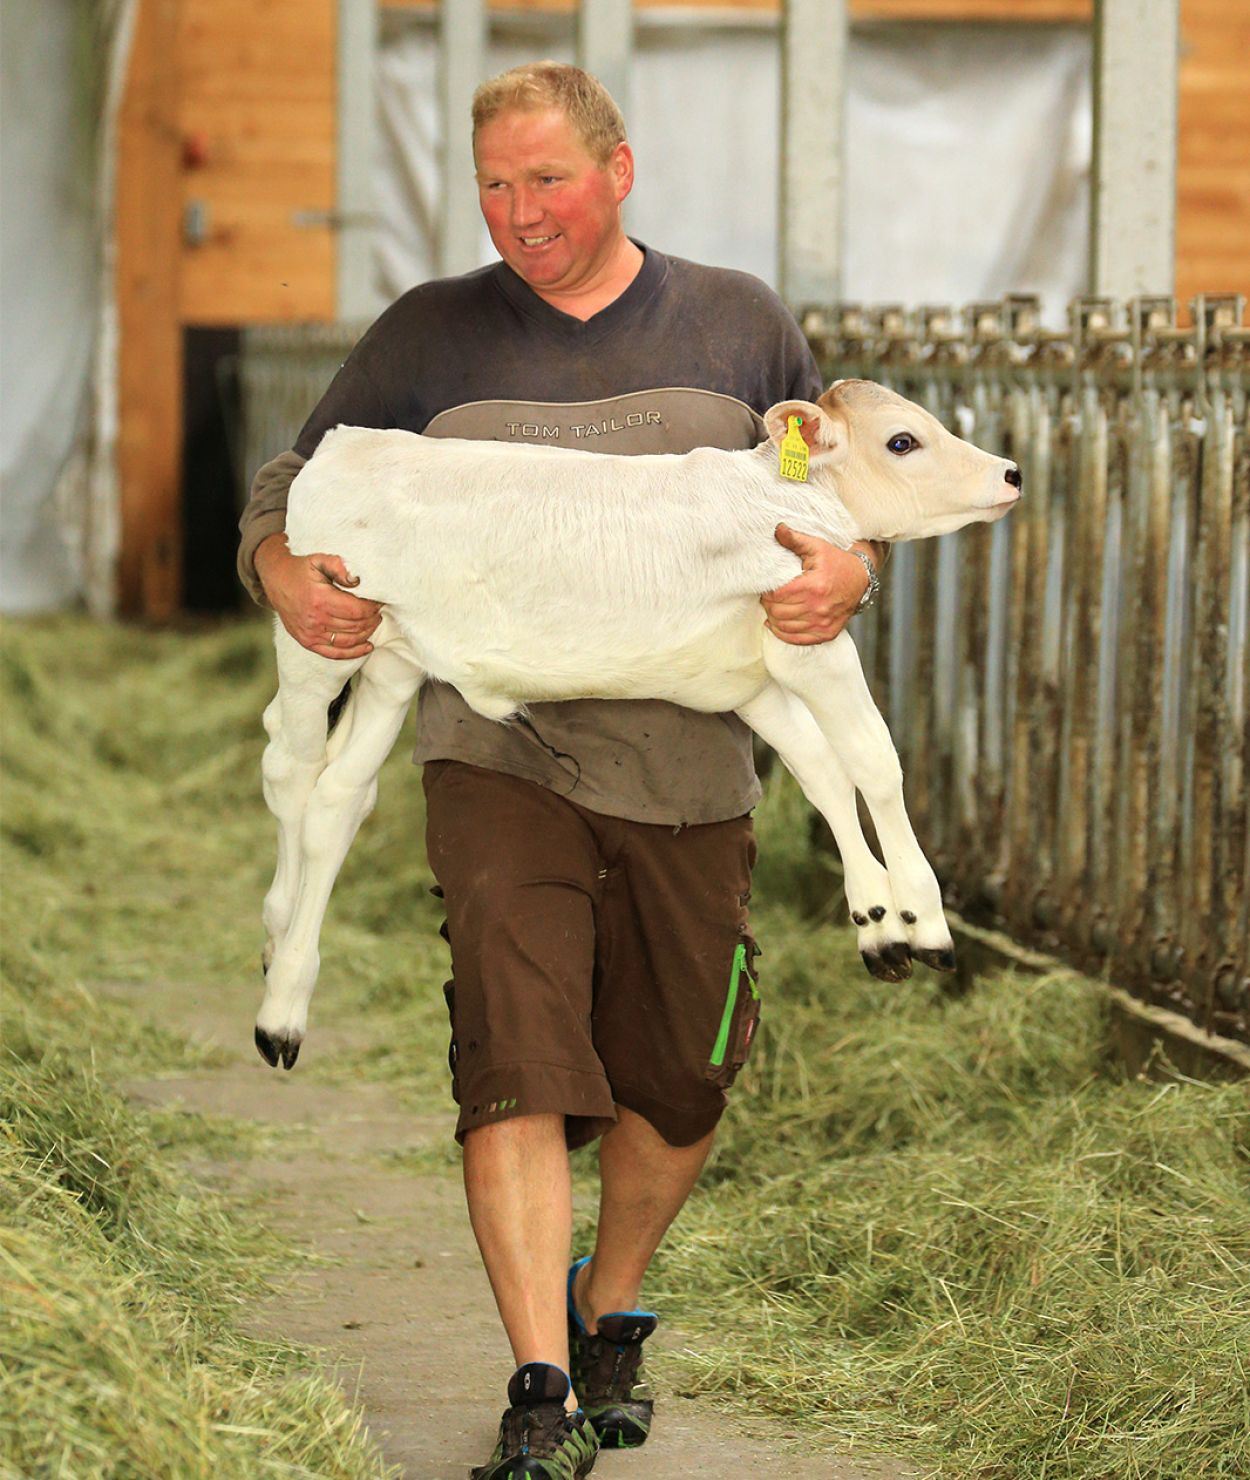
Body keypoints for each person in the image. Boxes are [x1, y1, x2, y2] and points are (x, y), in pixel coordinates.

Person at [238, 62, 881, 1480]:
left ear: (619, 171)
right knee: (513, 1059)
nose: (519, 213)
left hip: (687, 762)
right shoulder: (428, 339)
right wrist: (283, 570)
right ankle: (537, 1382)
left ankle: (608, 1303)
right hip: (494, 744)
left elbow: (828, 503)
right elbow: (296, 478)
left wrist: (846, 573)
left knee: (685, 1076)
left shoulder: (736, 323)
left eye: (547, 180)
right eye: (494, 186)